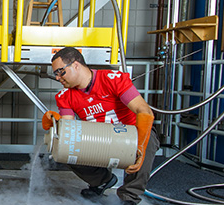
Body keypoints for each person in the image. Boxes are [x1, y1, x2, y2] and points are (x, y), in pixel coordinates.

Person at [42, 47, 158, 205]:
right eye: (55, 73)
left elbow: (144, 111)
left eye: (60, 72)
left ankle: (129, 198)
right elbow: (67, 128)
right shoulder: (65, 95)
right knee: (65, 146)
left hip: (129, 136)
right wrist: (55, 122)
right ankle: (102, 180)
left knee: (149, 139)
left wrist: (141, 148)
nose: (57, 77)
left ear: (76, 65)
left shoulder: (112, 79)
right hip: (99, 140)